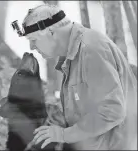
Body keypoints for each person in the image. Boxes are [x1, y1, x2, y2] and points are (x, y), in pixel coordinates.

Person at [16, 4, 137, 150]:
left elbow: (112, 111)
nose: (31, 47)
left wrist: (64, 135)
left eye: (33, 40)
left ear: (51, 32)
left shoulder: (91, 50)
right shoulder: (76, 54)